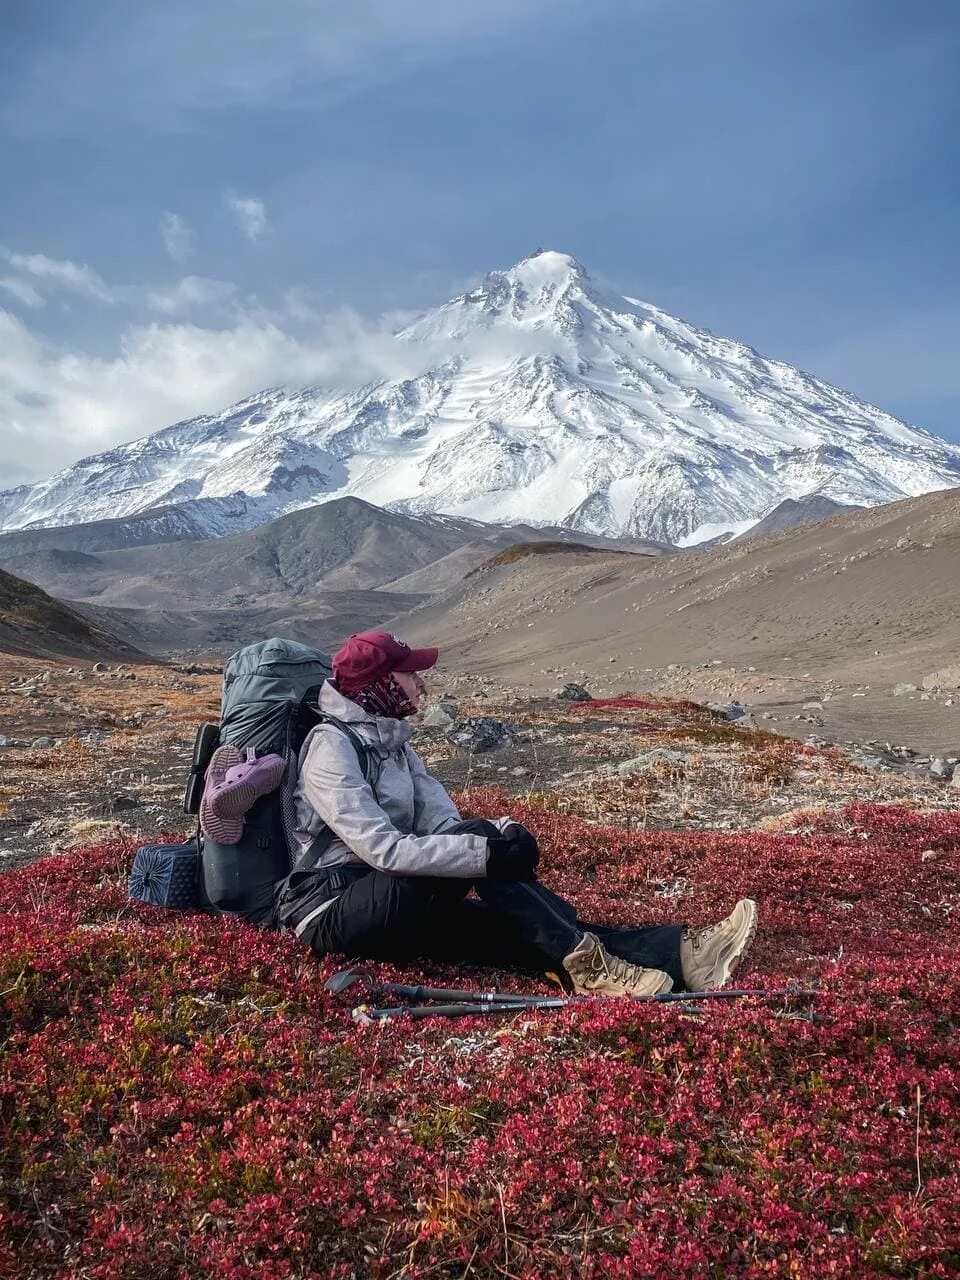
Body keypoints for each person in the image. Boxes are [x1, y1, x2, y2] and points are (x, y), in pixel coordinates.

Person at [281, 630, 757, 996]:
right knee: (480, 846)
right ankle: (595, 971)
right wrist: (487, 851)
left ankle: (685, 959)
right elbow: (384, 850)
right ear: (380, 685)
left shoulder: (393, 741)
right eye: (409, 674)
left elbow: (442, 824)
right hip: (332, 911)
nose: (421, 682)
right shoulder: (331, 749)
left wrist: (504, 835)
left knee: (520, 928)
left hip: (390, 898)